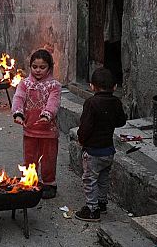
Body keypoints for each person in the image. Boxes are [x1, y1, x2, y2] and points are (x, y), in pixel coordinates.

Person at [73, 68, 127, 222]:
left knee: (90, 180)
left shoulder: (91, 103)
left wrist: (81, 139)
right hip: (108, 151)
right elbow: (121, 121)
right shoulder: (116, 101)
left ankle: (91, 209)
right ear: (115, 87)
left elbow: (86, 127)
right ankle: (102, 203)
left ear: (91, 86)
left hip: (93, 152)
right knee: (103, 178)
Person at [12, 48, 62, 199]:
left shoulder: (54, 85)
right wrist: (18, 113)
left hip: (49, 131)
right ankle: (31, 181)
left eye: (42, 67)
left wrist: (47, 115)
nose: (38, 70)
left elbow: (54, 102)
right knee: (30, 158)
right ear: (30, 66)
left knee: (48, 158)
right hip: (30, 129)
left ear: (50, 67)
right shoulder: (24, 84)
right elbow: (18, 98)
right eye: (35, 67)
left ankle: (49, 183)